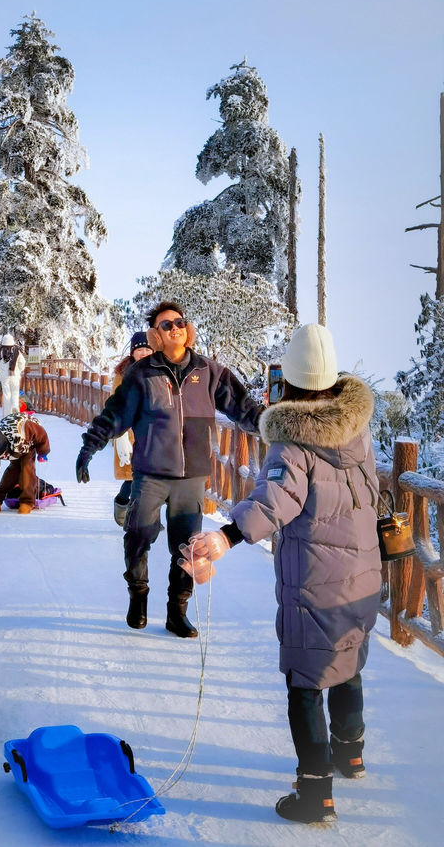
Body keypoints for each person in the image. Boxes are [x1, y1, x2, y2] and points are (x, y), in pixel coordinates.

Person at [180, 323, 382, 824]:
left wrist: (224, 537)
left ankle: (315, 795)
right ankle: (350, 755)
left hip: (315, 580)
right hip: (362, 578)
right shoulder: (357, 430)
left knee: (306, 679)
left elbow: (274, 502)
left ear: (286, 383)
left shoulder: (294, 442)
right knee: (347, 663)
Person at [75, 300, 264, 637]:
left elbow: (244, 409)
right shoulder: (142, 375)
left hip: (191, 477)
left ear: (187, 329)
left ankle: (177, 611)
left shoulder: (209, 372)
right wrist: (90, 445)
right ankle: (138, 596)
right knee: (137, 535)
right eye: (166, 325)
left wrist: (276, 427)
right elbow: (115, 414)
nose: (175, 328)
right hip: (150, 474)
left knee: (188, 548)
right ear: (156, 335)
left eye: (179, 322)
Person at [111, 331, 153, 526]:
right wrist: (119, 437)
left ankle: (149, 519)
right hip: (129, 434)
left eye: (147, 349)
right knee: (133, 479)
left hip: (154, 433)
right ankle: (121, 503)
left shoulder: (159, 370)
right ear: (132, 352)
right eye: (140, 350)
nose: (144, 353)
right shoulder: (123, 375)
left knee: (153, 481)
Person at [0, 409, 50, 514]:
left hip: (28, 442)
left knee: (26, 470)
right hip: (14, 446)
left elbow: (41, 434)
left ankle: (27, 502)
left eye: (4, 455)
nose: (3, 457)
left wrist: (43, 452)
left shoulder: (24, 429)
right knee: (12, 472)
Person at [0, 333, 26, 416]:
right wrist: (19, 370)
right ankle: (15, 411)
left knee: (6, 395)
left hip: (4, 377)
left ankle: (7, 414)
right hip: (14, 376)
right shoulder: (16, 351)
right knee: (15, 394)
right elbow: (22, 363)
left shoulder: (0, 351)